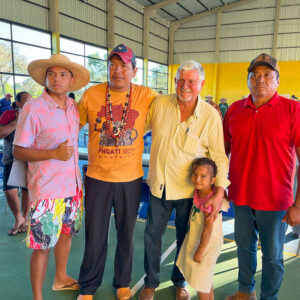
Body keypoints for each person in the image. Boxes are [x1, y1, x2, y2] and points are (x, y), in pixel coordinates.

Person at [139, 60, 230, 300]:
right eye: (181, 80)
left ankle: (180, 282)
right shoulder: (160, 104)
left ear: (200, 84)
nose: (185, 86)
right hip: (159, 185)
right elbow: (137, 129)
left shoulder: (210, 115)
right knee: (152, 237)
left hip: (190, 192)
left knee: (186, 239)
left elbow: (219, 157)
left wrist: (219, 193)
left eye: (191, 81)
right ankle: (150, 282)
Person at [77, 44, 157, 300]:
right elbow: (69, 125)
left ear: (134, 70)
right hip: (97, 178)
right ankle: (88, 285)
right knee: (95, 235)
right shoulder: (91, 95)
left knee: (126, 234)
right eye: (112, 65)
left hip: (130, 179)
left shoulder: (148, 96)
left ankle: (122, 281)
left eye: (124, 65)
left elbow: (170, 118)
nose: (117, 70)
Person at [223, 53, 300, 300]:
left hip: (276, 202)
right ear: (247, 80)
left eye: (267, 75)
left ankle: (269, 297)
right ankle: (246, 291)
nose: (260, 80)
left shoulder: (293, 110)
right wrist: (218, 187)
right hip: (242, 197)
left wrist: (298, 205)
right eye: (254, 75)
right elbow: (220, 153)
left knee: (273, 255)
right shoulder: (235, 110)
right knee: (243, 247)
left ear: (277, 81)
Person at [12, 54, 90, 300]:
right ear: (45, 78)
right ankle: (38, 296)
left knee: (66, 234)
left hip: (72, 187)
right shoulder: (33, 108)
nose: (57, 79)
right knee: (42, 247)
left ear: (71, 80)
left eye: (63, 74)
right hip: (47, 190)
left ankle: (61, 278)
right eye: (52, 74)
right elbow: (18, 150)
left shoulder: (72, 108)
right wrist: (53, 153)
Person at [176, 157, 228, 300]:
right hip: (200, 239)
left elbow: (208, 230)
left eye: (203, 176)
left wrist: (200, 251)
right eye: (195, 175)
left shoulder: (209, 202)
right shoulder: (200, 191)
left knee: (200, 284)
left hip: (206, 244)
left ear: (213, 180)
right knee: (205, 280)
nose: (197, 179)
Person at [0, 91, 32, 236]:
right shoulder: (8, 115)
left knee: (27, 191)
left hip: (29, 158)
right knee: (9, 190)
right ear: (17, 103)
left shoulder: (35, 116)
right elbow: (1, 133)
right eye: (25, 101)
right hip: (10, 158)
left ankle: (24, 219)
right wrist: (17, 121)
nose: (29, 104)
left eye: (31, 101)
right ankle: (18, 217)